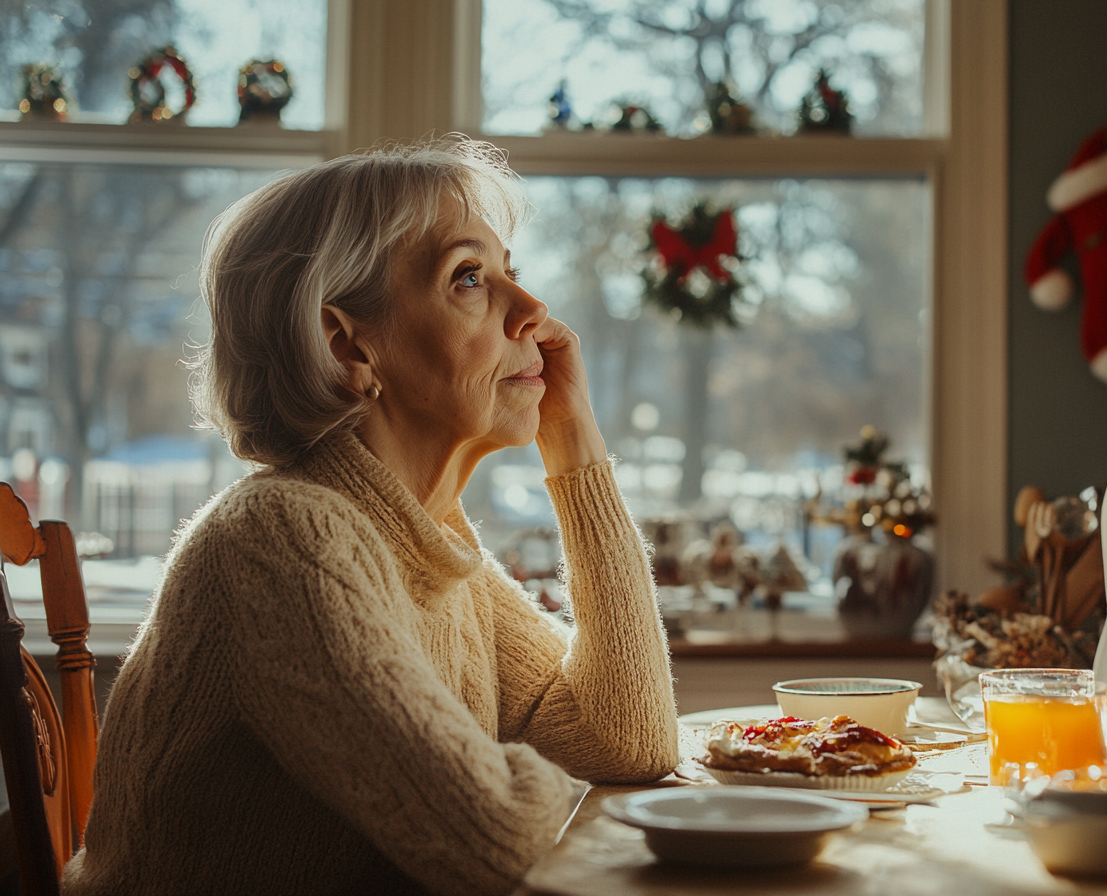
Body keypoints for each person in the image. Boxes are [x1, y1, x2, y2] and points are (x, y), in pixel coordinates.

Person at [62, 137, 680, 895]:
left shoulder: (428, 542)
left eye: (509, 273)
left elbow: (627, 738)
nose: (534, 311)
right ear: (347, 343)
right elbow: (493, 838)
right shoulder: (281, 540)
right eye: (469, 278)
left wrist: (576, 448)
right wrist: (502, 766)